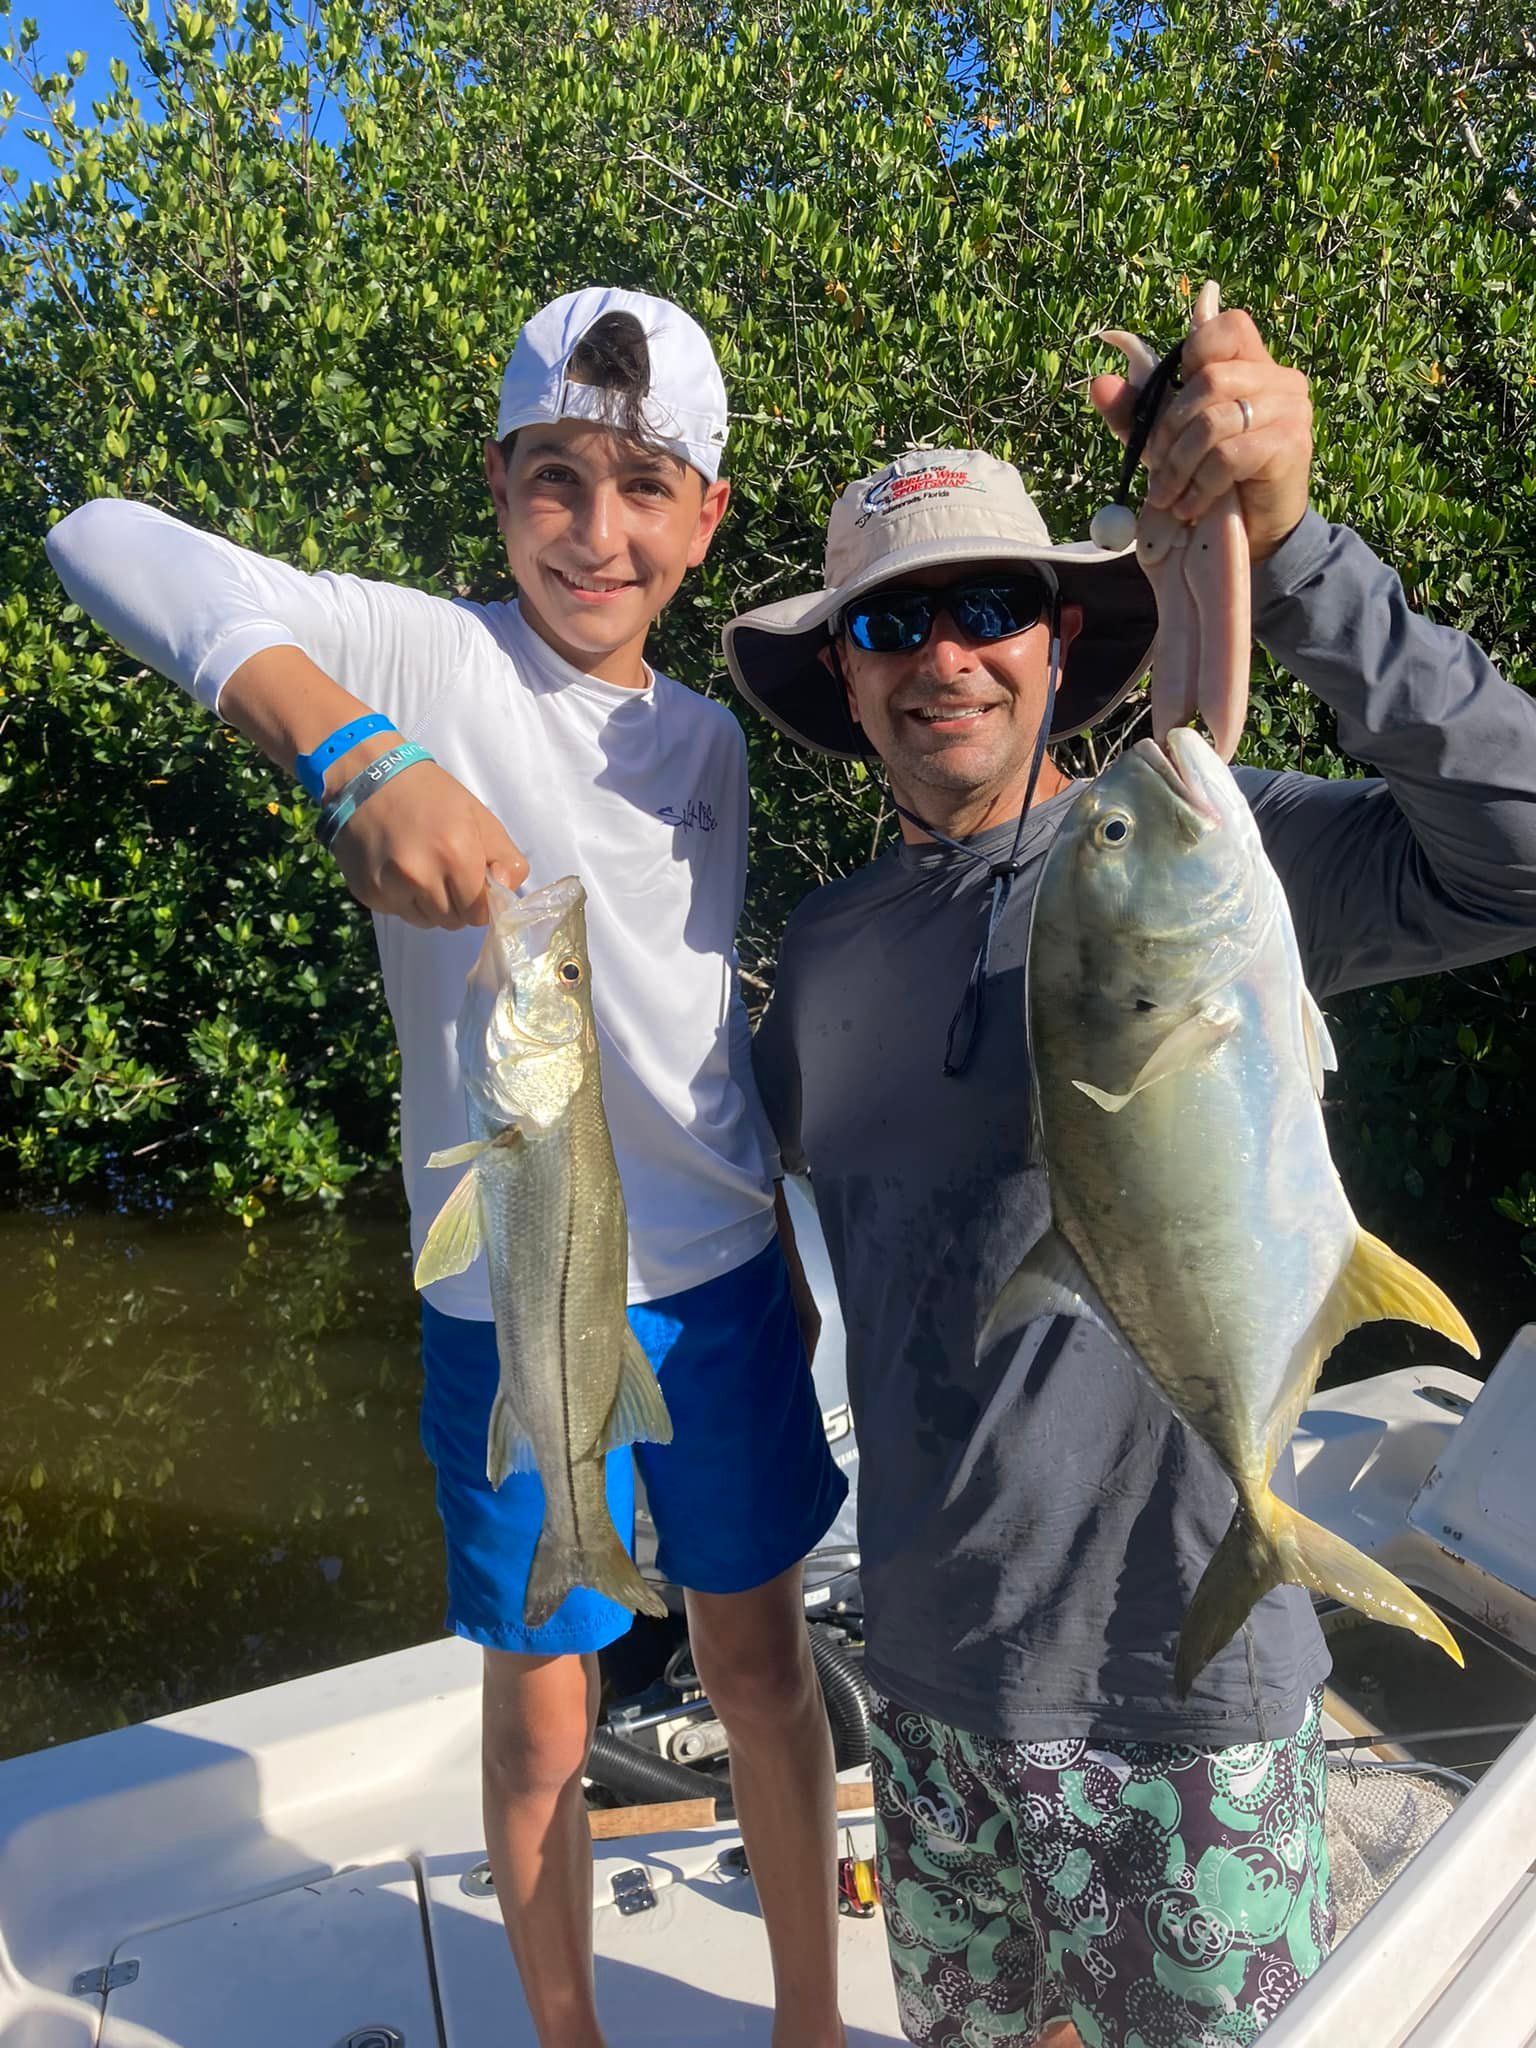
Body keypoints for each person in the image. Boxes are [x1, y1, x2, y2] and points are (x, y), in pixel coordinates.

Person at [46, 286, 849, 2048]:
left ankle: (807, 2023)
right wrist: (354, 753)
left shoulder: (710, 745)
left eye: (647, 485)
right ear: (496, 489)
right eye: (555, 479)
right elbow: (97, 533)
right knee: (545, 1714)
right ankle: (564, 2035)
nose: (598, 529)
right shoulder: (422, 658)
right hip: (508, 1290)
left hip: (716, 1285)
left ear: (708, 518)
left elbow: (689, 1032)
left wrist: (782, 1253)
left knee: (764, 1669)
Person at [724, 307, 1536, 2047]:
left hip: (1189, 1689)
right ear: (848, 673)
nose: (945, 655)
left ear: (1061, 637)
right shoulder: (828, 944)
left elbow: (1520, 852)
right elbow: (773, 1228)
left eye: (989, 606)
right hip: (928, 1693)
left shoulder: (1201, 841)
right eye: (890, 622)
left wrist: (1301, 556)